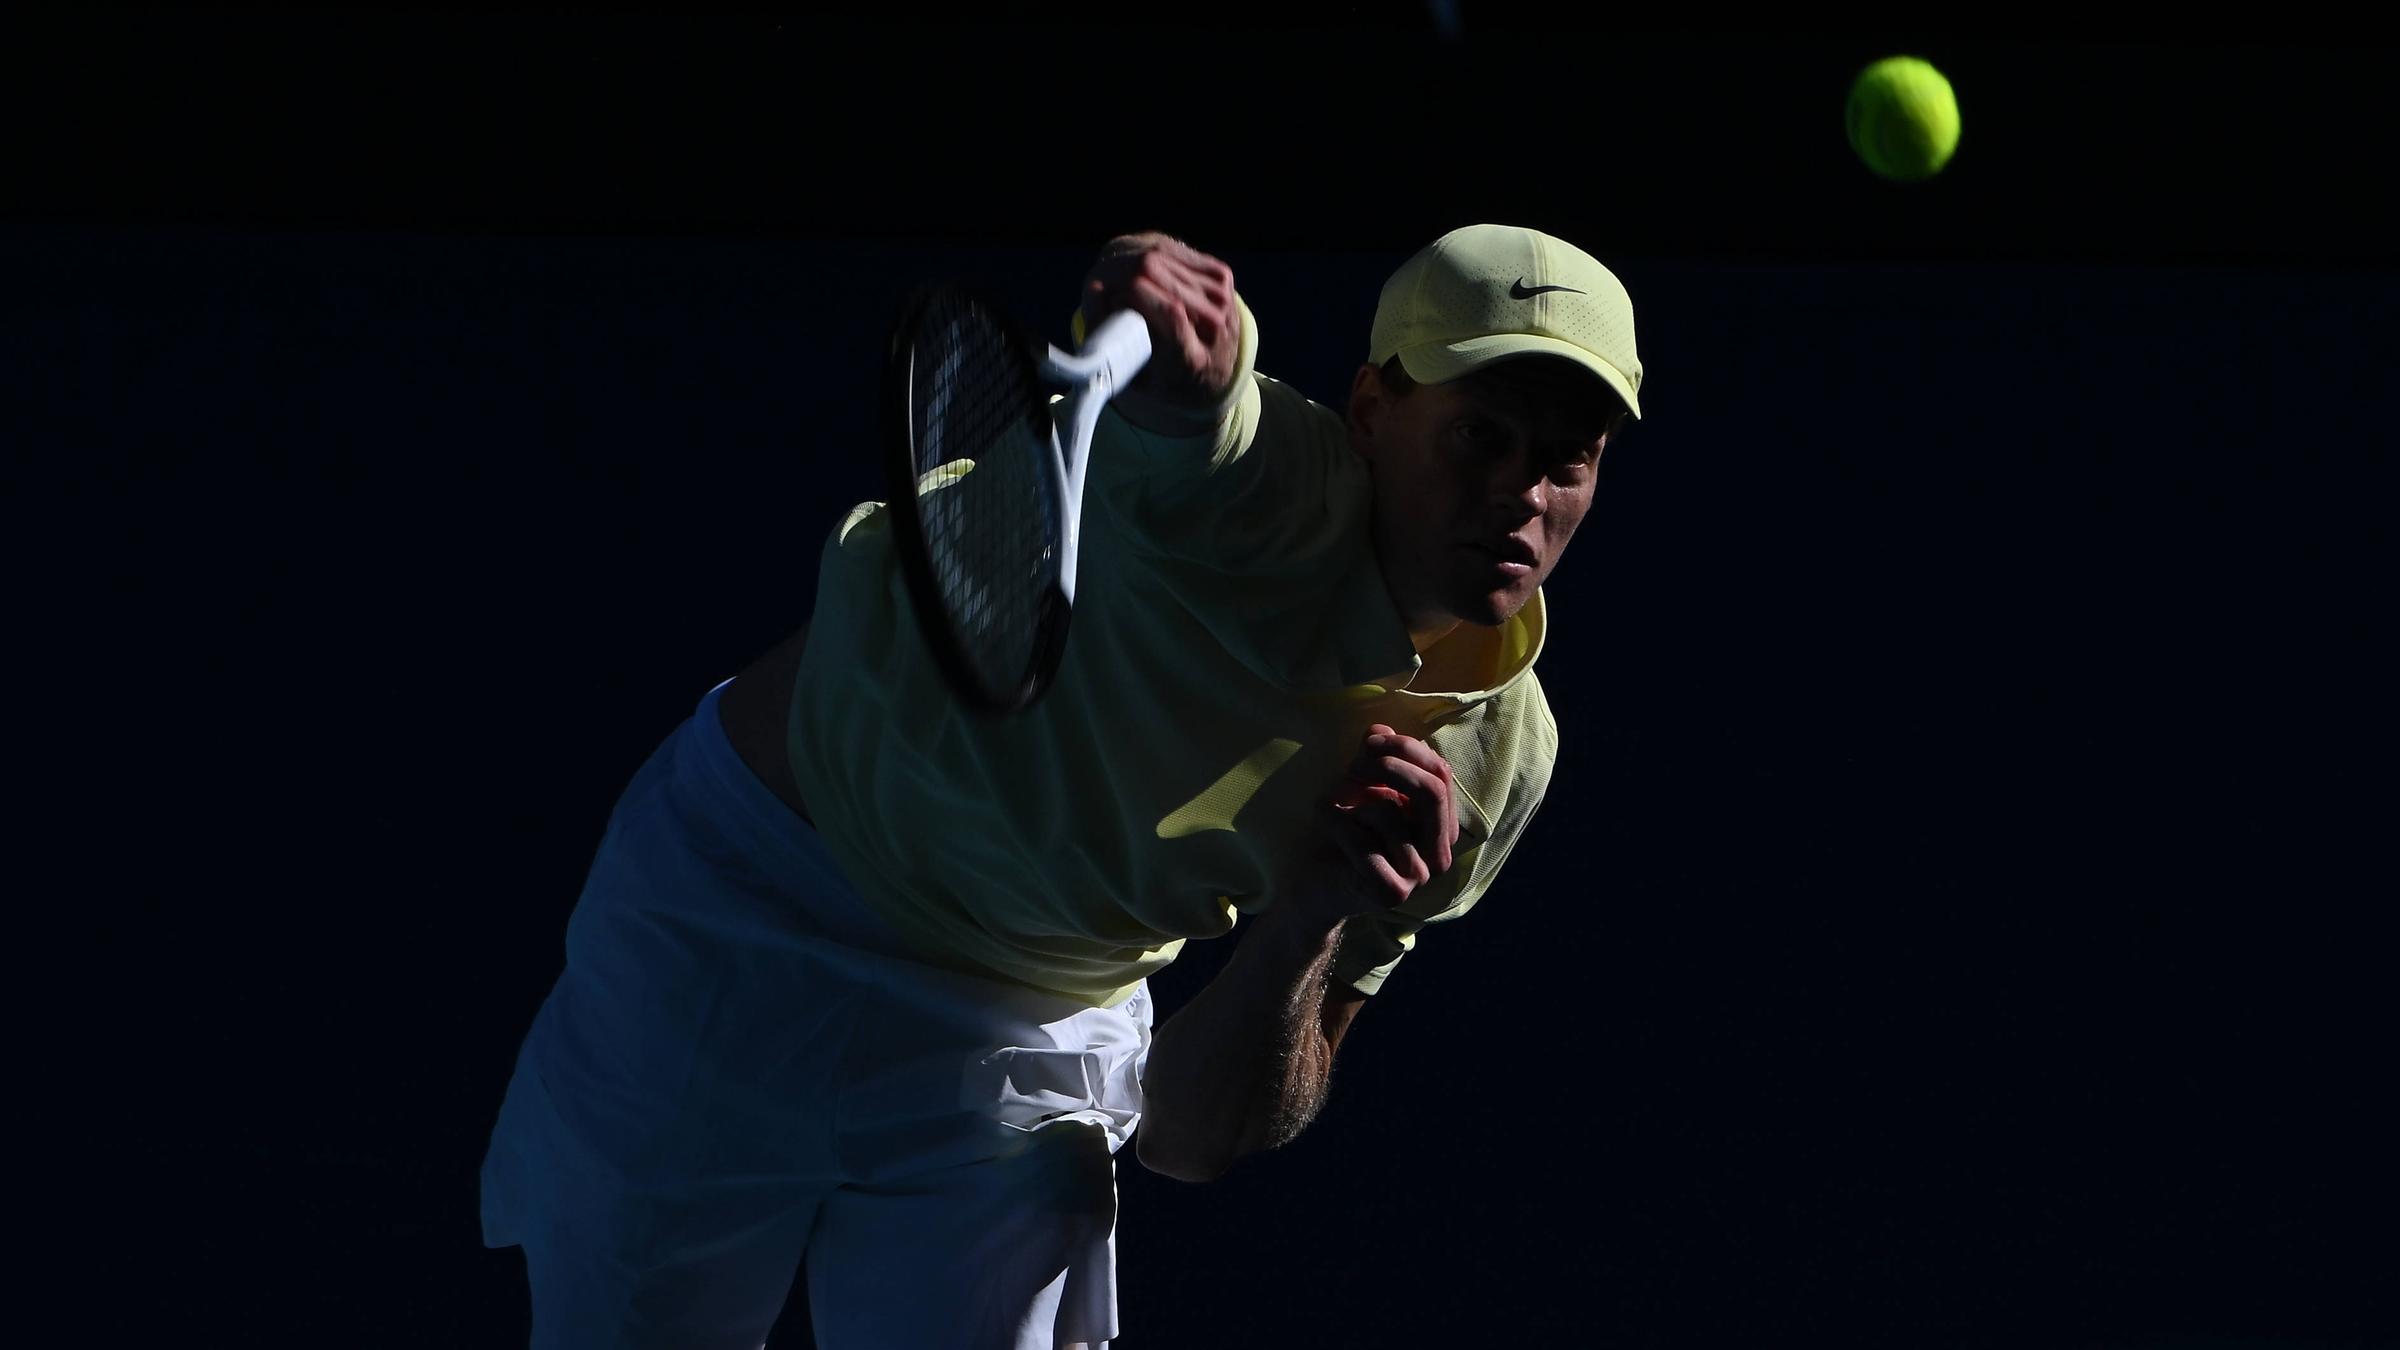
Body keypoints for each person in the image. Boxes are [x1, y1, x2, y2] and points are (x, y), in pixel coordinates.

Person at [479, 222, 1645, 1349]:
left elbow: (1189, 1140)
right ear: (1373, 415)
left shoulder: (1495, 760)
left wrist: (1310, 920)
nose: (1522, 495)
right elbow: (1196, 405)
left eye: (1566, 460)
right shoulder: (1259, 486)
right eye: (1479, 437)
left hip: (1035, 1017)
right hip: (744, 916)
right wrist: (1181, 324)